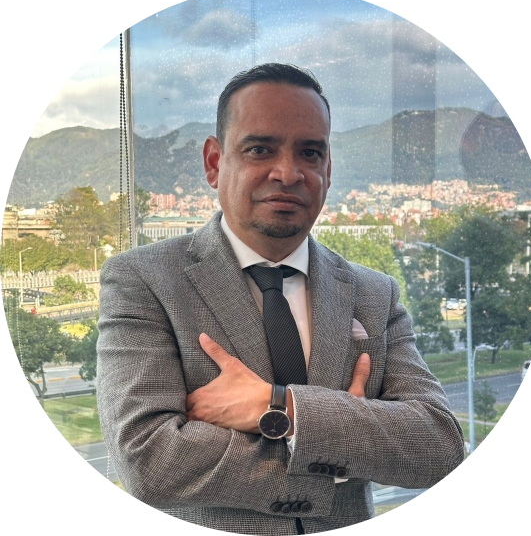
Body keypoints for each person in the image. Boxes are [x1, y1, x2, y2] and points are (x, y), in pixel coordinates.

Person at [96, 63, 464, 534]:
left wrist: (280, 408)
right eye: (260, 149)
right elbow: (148, 461)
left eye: (310, 152)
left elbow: (439, 446)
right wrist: (342, 444)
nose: (288, 173)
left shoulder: (374, 293)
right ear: (214, 163)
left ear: (327, 170)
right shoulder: (144, 281)